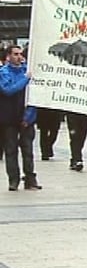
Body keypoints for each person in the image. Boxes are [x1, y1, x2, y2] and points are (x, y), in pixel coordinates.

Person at [1, 45, 40, 190]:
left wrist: (29, 117)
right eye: (15, 54)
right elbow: (8, 90)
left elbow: (34, 97)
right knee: (11, 151)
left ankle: (30, 178)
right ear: (8, 56)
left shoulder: (27, 71)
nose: (19, 57)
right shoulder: (3, 73)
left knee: (28, 150)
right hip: (9, 118)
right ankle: (13, 179)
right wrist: (25, 80)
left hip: (26, 119)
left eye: (20, 54)